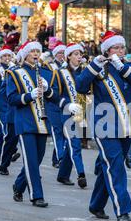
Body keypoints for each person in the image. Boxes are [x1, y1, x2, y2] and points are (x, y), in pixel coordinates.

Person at [77, 31, 131, 221]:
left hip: (126, 125)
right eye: (116, 48)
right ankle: (123, 210)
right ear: (107, 50)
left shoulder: (129, 67)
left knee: (110, 166)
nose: (120, 51)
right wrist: (94, 65)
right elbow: (80, 86)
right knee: (116, 167)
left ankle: (97, 204)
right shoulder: (99, 68)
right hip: (104, 126)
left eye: (122, 47)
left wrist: (122, 67)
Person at [7, 40, 59, 207]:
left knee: (36, 160)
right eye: (32, 51)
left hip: (42, 122)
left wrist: (48, 90)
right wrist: (29, 95)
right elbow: (11, 98)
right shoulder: (15, 73)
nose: (36, 54)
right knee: (30, 159)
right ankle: (37, 195)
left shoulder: (46, 72)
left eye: (38, 51)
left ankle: (19, 185)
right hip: (25, 121)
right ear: (25, 54)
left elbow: (56, 97)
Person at [57, 43, 88, 188]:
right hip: (67, 112)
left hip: (82, 112)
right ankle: (81, 174)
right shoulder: (61, 72)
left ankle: (63, 174)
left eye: (80, 54)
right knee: (75, 144)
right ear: (68, 56)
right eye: (75, 54)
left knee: (71, 145)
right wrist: (67, 104)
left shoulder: (85, 72)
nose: (79, 56)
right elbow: (54, 94)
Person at [0, 45, 20, 175]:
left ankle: (1, 152)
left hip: (12, 104)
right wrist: (5, 79)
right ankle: (4, 156)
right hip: (2, 104)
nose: (7, 58)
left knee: (8, 132)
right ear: (0, 58)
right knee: (5, 129)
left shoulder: (14, 69)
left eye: (9, 56)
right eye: (4, 56)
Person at [45, 41, 66, 169]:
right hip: (53, 103)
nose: (62, 55)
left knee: (63, 132)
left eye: (64, 53)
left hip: (65, 103)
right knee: (57, 131)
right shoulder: (49, 66)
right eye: (59, 53)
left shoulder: (68, 66)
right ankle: (60, 158)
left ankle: (56, 158)